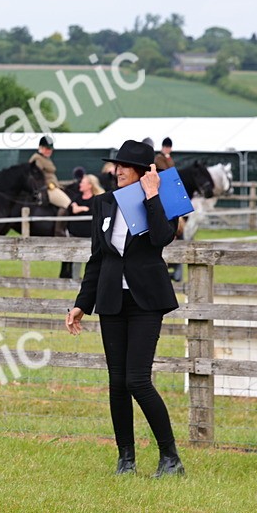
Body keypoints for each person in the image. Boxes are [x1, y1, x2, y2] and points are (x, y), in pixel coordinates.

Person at [65, 140, 184, 478]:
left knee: (137, 380)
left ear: (144, 172)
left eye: (124, 166)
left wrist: (152, 196)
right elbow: (98, 258)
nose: (116, 171)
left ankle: (170, 458)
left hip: (146, 301)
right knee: (117, 382)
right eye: (115, 165)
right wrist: (81, 305)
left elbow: (162, 238)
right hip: (112, 301)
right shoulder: (103, 203)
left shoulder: (158, 202)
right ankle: (126, 460)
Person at [28, 136, 78, 213]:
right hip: (48, 189)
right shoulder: (37, 159)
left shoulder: (45, 158)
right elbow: (35, 177)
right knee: (68, 204)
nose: (49, 151)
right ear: (41, 148)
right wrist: (47, 186)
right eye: (47, 149)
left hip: (54, 185)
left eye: (50, 149)